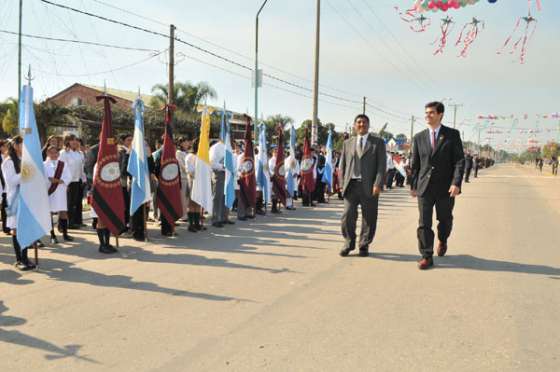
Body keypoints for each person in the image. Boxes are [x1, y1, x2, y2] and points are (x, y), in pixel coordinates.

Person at [410, 101, 465, 270]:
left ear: (440, 114)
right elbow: (416, 164)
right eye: (426, 112)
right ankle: (427, 255)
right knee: (424, 222)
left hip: (445, 188)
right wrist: (413, 185)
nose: (428, 115)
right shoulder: (419, 137)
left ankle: (443, 239)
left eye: (431, 112)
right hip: (424, 188)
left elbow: (459, 161)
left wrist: (456, 183)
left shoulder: (452, 135)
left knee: (445, 219)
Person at [339, 114, 387, 257]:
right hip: (351, 185)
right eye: (359, 122)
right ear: (355, 125)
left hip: (370, 186)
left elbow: (381, 166)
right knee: (347, 215)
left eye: (364, 122)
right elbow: (342, 165)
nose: (361, 125)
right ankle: (349, 243)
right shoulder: (347, 143)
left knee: (369, 217)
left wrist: (378, 184)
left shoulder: (377, 142)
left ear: (368, 125)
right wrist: (342, 184)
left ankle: (364, 244)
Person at [2, 136, 35, 270]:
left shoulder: (24, 160)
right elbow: (11, 181)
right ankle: (19, 259)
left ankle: (25, 257)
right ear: (15, 145)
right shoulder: (8, 162)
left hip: (26, 197)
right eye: (22, 144)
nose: (24, 147)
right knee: (16, 228)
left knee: (25, 228)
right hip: (15, 199)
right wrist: (25, 174)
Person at [44, 145, 74, 244]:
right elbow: (44, 178)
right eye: (51, 152)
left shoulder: (63, 164)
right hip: (49, 191)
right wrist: (52, 181)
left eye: (55, 152)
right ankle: (52, 236)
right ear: (47, 153)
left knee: (63, 212)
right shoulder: (43, 165)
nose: (53, 155)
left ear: (58, 153)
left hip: (60, 191)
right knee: (49, 213)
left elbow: (68, 177)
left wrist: (57, 180)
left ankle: (65, 234)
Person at [59, 134, 86, 229]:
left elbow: (81, 168)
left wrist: (83, 179)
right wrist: (64, 183)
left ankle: (74, 221)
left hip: (77, 181)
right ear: (67, 142)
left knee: (74, 203)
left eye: (76, 140)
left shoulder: (80, 153)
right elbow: (61, 168)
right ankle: (64, 224)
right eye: (72, 140)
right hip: (67, 182)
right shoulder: (63, 153)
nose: (74, 142)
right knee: (67, 203)